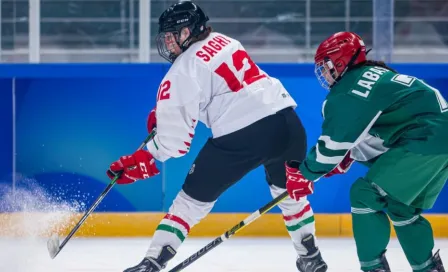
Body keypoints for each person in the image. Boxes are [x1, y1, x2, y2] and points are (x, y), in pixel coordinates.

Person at [106, 1, 328, 272]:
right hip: (287, 123)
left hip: (243, 135)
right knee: (289, 193)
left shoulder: (180, 71)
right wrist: (169, 113)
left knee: (189, 203)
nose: (167, 42)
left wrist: (147, 156)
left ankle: (152, 262)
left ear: (188, 31)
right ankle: (310, 256)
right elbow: (223, 90)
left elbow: (175, 144)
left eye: (172, 35)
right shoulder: (225, 41)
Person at [284, 31, 448, 272]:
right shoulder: (375, 75)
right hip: (436, 137)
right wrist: (346, 156)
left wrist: (305, 173)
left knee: (363, 193)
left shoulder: (348, 90)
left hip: (424, 138)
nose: (324, 73)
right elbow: (369, 129)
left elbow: (331, 146)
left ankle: (373, 268)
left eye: (326, 65)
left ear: (340, 61)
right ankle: (428, 268)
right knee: (402, 208)